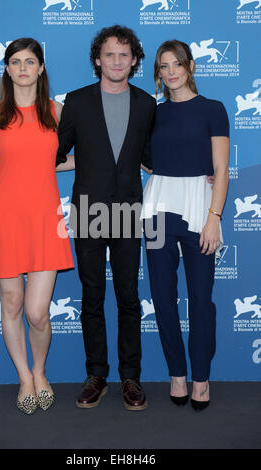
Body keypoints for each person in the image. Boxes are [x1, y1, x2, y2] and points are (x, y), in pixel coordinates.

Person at [56, 25, 156, 410]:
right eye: (110, 54)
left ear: (134, 61)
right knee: (92, 296)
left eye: (124, 55)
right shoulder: (77, 101)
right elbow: (57, 152)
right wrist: (17, 169)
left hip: (128, 210)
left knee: (129, 298)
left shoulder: (147, 104)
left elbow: (152, 158)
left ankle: (131, 377)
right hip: (89, 211)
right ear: (98, 59)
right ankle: (96, 374)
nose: (117, 61)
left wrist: (201, 171)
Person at [0, 38, 74, 414]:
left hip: (46, 220)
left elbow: (62, 158)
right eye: (15, 62)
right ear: (7, 68)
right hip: (5, 219)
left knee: (37, 311)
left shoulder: (57, 112)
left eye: (30, 61)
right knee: (12, 303)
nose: (23, 68)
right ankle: (25, 378)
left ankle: (41, 369)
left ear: (41, 68)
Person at [141, 40, 229, 411]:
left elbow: (221, 169)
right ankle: (177, 373)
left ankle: (201, 377)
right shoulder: (153, 113)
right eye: (164, 66)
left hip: (199, 208)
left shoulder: (213, 109)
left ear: (191, 65)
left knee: (200, 300)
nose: (171, 71)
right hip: (159, 205)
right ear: (158, 73)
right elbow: (144, 159)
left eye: (177, 63)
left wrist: (214, 217)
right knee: (162, 296)